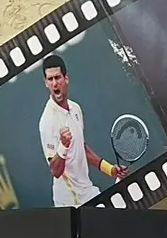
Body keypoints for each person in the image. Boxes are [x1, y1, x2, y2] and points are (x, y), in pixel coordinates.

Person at [39, 55, 125, 208]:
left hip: (87, 190)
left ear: (66, 79)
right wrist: (63, 146)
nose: (54, 83)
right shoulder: (47, 121)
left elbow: (81, 148)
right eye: (50, 79)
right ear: (46, 83)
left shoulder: (75, 109)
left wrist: (110, 169)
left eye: (57, 77)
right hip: (70, 201)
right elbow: (55, 171)